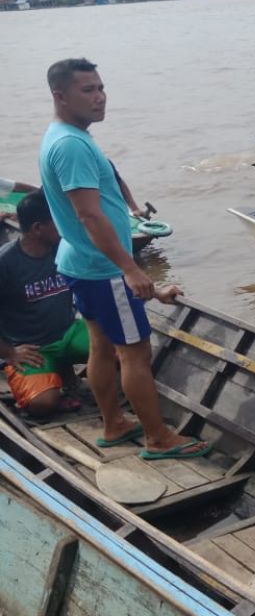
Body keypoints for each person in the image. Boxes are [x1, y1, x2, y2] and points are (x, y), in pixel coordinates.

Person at [38, 57, 207, 460]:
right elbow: (89, 214)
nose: (100, 98)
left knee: (100, 344)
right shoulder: (70, 145)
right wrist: (130, 269)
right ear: (60, 96)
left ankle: (114, 424)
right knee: (134, 353)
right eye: (88, 91)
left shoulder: (64, 135)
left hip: (79, 261)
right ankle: (158, 438)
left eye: (101, 88)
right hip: (103, 267)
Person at [0, 192, 88, 417]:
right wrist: (9, 352)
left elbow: (106, 270)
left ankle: (64, 370)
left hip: (68, 332)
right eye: (59, 220)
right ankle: (54, 376)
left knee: (123, 351)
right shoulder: (5, 263)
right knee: (43, 404)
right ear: (38, 228)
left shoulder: (65, 248)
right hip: (32, 348)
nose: (67, 224)